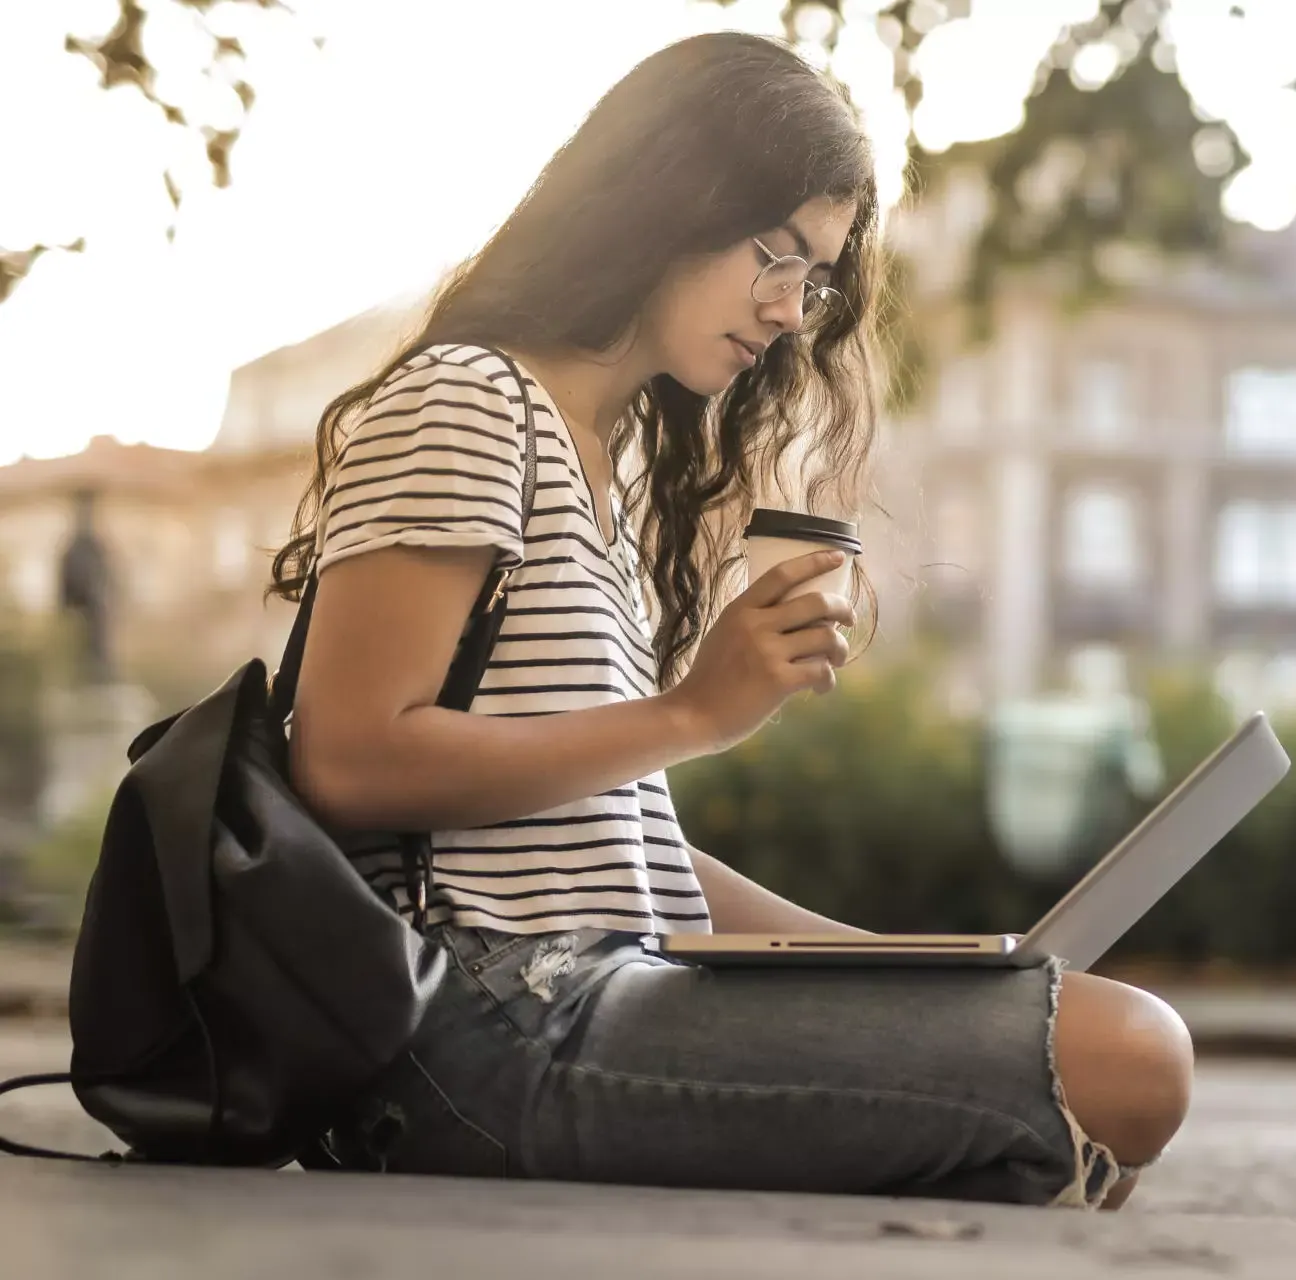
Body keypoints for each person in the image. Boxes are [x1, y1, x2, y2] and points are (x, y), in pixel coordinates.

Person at [273, 32, 1190, 1208]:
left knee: (1093, 1048)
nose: (792, 311)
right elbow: (347, 760)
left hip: (588, 990)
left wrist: (911, 973)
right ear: (665, 197)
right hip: (478, 1027)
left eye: (816, 280)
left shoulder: (598, 464)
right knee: (1128, 1059)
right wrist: (694, 712)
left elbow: (617, 841)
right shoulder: (465, 399)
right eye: (779, 255)